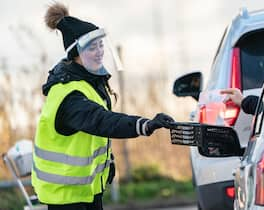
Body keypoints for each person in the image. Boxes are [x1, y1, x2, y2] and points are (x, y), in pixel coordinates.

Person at [31, 2, 174, 210]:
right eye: (91, 47)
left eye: (100, 45)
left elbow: (90, 135)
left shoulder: (89, 83)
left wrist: (109, 160)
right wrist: (144, 124)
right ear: (75, 55)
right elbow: (102, 121)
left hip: (87, 190)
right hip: (65, 196)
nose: (99, 52)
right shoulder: (69, 94)